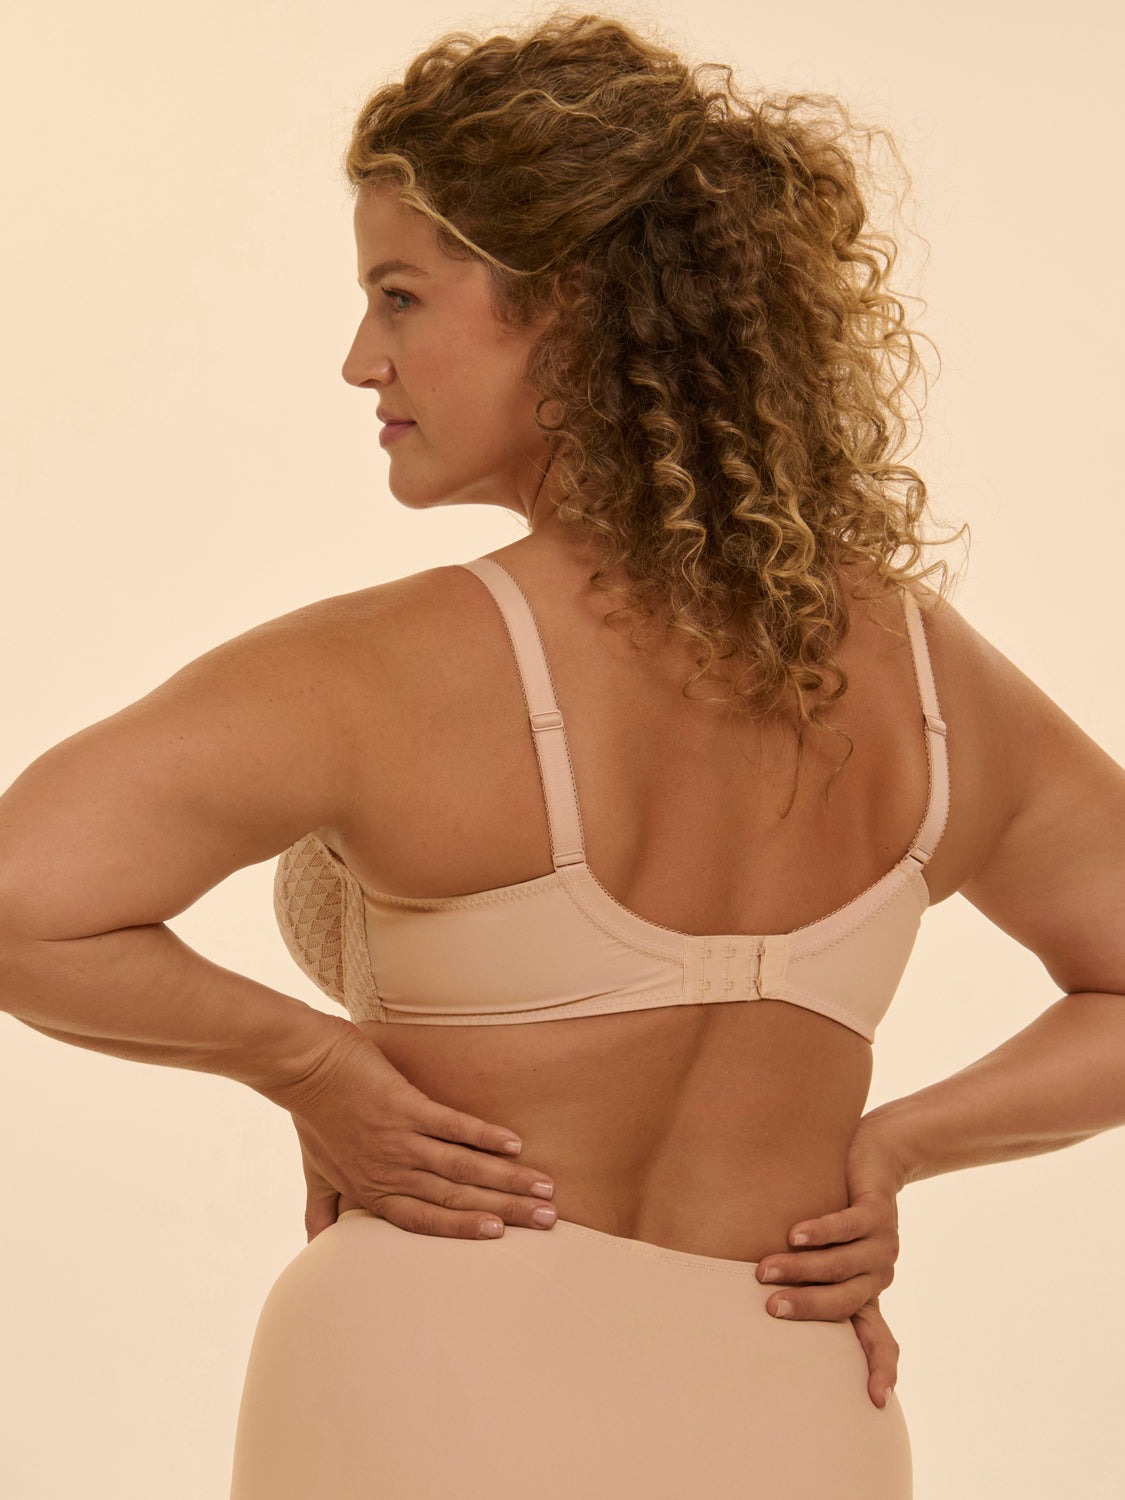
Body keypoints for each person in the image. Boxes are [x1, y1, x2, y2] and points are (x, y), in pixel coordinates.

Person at [1, 10, 1122, 1499]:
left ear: (575, 307)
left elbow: (22, 899)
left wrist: (313, 1067)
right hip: (788, 1398)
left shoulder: (392, 666)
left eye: (400, 296)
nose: (361, 359)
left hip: (430, 1380)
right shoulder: (930, 684)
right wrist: (899, 1145)